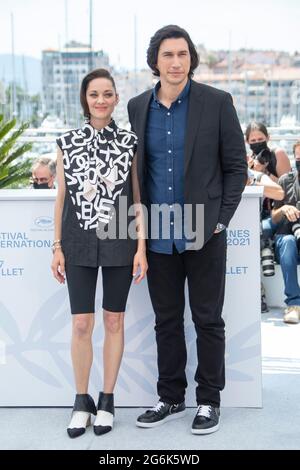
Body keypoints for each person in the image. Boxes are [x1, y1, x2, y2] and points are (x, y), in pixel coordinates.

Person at [128, 25, 248, 434]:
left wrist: (221, 220)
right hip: (158, 232)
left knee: (207, 319)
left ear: (191, 59)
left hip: (205, 231)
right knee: (166, 320)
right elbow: (136, 172)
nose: (176, 62)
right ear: (155, 61)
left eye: (182, 54)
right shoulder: (137, 106)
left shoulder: (216, 103)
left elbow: (236, 168)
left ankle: (209, 400)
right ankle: (171, 396)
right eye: (168, 55)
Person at [51, 68, 147, 438]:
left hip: (121, 235)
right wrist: (57, 246)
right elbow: (61, 198)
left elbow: (138, 197)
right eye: (94, 94)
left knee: (113, 321)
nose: (101, 100)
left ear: (116, 99)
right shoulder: (66, 141)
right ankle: (81, 400)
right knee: (81, 323)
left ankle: (107, 399)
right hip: (76, 240)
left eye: (108, 93)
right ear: (85, 99)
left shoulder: (129, 142)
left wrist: (141, 247)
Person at [271, 140, 300, 324]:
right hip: (287, 239)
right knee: (288, 240)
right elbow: (273, 217)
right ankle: (294, 304)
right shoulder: (285, 180)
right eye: (298, 158)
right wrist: (283, 209)